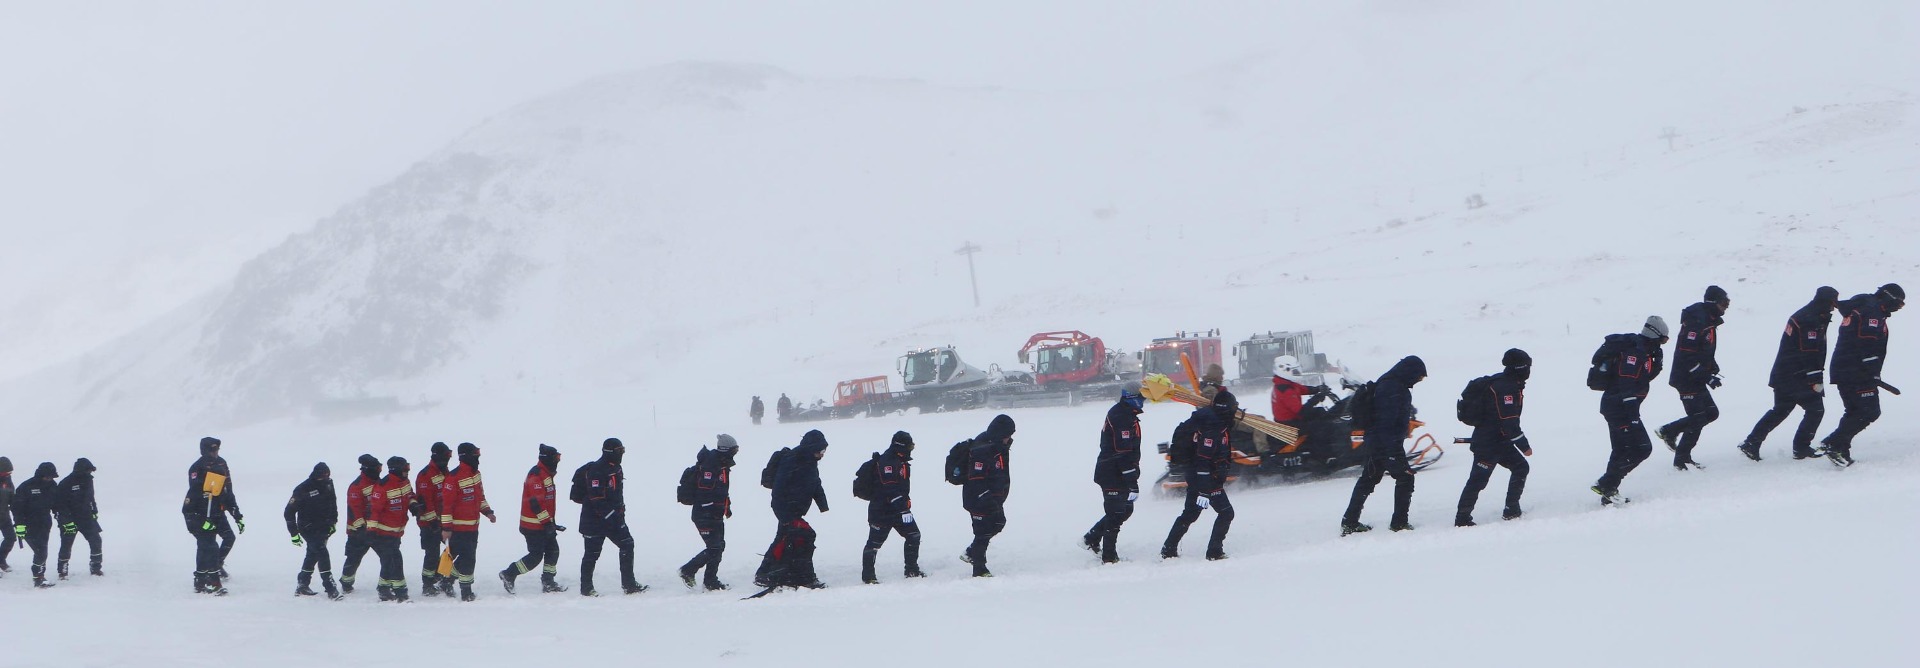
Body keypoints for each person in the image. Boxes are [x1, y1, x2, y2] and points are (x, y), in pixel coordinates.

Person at [1739, 287, 1840, 461]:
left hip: (1785, 373)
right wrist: (1815, 378)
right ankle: (1801, 447)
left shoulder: (1808, 314)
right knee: (1815, 410)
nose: (1835, 307)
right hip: (1797, 375)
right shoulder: (1810, 320)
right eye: (1833, 302)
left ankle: (1751, 442)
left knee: (1781, 410)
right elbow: (1809, 352)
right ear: (1826, 301)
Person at [1341, 356, 1428, 534]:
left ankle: (1349, 522)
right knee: (1405, 478)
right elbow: (1386, 421)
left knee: (1368, 480)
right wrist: (1392, 449)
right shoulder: (1393, 387)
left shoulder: (1392, 383)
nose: (1418, 380)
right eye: (1418, 376)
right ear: (1410, 372)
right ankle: (1399, 523)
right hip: (1386, 443)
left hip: (1378, 441)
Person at [1822, 283, 1904, 466]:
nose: (1898, 309)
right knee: (1869, 411)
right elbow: (1866, 345)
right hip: (1855, 371)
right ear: (1888, 297)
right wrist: (1871, 371)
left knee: (1855, 410)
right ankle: (1834, 443)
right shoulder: (1871, 312)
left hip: (1847, 369)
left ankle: (1840, 448)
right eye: (1899, 304)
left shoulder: (1863, 307)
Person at [1591, 317, 1669, 505]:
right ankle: (1606, 483)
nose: (1665, 344)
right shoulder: (1634, 353)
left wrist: (1657, 360)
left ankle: (1608, 492)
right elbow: (1627, 384)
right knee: (1642, 448)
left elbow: (1645, 377)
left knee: (1620, 449)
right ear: (1655, 336)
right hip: (1619, 408)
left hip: (1616, 406)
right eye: (1664, 339)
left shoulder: (1647, 351)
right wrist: (1633, 416)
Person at [1456, 349, 1533, 526]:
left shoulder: (1507, 382)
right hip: (1488, 445)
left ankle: (1512, 509)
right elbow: (1509, 421)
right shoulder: (1506, 387)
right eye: (1528, 365)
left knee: (1521, 467)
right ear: (1520, 367)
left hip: (1500, 442)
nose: (1529, 369)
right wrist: (1524, 446)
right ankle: (1462, 519)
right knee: (1478, 481)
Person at [1657, 287, 1729, 470]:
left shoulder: (1708, 322)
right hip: (1685, 377)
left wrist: (1712, 367)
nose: (1726, 308)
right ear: (1713, 303)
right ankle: (1681, 461)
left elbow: (1703, 350)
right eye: (1723, 303)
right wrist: (1707, 376)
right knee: (1698, 417)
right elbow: (1686, 357)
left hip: (1695, 377)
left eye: (1727, 303)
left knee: (1711, 413)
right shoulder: (1697, 323)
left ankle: (1670, 431)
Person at [1162, 390, 1240, 559]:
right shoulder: (1213, 429)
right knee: (1226, 513)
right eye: (1234, 408)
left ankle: (1168, 549)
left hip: (1198, 476)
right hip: (1206, 479)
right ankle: (1214, 552)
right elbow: (1203, 461)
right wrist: (1204, 491)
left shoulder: (1215, 422)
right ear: (1227, 409)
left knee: (1190, 514)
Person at [756, 429, 830, 588]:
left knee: (784, 538)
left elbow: (816, 484)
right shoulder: (792, 460)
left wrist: (823, 505)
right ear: (812, 448)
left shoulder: (810, 462)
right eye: (821, 450)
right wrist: (786, 513)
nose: (823, 454)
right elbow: (779, 487)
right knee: (807, 535)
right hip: (785, 508)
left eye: (825, 450)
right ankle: (805, 576)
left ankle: (767, 573)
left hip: (795, 509)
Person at [572, 438, 644, 596]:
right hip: (594, 521)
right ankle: (586, 588)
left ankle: (629, 584)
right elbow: (597, 499)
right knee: (592, 553)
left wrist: (619, 513)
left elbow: (615, 494)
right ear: (611, 452)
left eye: (623, 450)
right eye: (620, 451)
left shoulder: (616, 468)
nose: (622, 454)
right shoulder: (597, 470)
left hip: (614, 519)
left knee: (627, 544)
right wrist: (612, 517)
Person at [1084, 389, 1145, 564]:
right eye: (1141, 398)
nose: (1143, 402)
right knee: (1116, 512)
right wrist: (1132, 481)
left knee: (1125, 509)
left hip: (1117, 471)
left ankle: (1091, 538)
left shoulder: (1126, 414)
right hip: (1111, 472)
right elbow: (1123, 454)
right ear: (1132, 398)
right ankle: (1109, 557)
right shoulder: (1122, 417)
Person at [501, 444, 567, 594]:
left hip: (544, 525)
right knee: (535, 556)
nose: (558, 461)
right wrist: (547, 523)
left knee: (553, 550)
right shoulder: (536, 475)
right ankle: (509, 573)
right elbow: (536, 503)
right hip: (533, 527)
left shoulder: (546, 474)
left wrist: (551, 524)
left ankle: (548, 581)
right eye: (556, 458)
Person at [437, 443, 496, 601]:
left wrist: (488, 512)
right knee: (468, 559)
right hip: (459, 529)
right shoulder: (453, 478)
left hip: (473, 527)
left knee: (462, 557)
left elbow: (480, 497)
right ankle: (466, 592)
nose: (478, 458)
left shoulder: (476, 474)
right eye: (475, 455)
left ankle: (446, 580)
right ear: (466, 456)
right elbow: (447, 506)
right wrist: (447, 528)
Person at [862, 431, 922, 583]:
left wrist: (904, 504)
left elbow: (900, 488)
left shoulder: (900, 460)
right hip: (881, 510)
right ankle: (868, 576)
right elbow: (890, 489)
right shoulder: (888, 462)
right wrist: (903, 508)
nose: (911, 449)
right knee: (874, 544)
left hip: (899, 510)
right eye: (910, 446)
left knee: (913, 535)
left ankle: (911, 570)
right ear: (901, 446)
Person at [679, 435, 738, 591]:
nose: (736, 454)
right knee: (714, 547)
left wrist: (726, 506)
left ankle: (711, 580)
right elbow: (706, 493)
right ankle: (688, 570)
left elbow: (722, 491)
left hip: (716, 513)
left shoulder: (722, 465)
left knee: (719, 546)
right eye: (734, 450)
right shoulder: (711, 467)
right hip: (704, 514)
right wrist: (713, 507)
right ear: (726, 450)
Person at [182, 437, 238, 594]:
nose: (215, 453)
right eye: (212, 450)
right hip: (200, 513)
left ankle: (213, 568)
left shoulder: (221, 463)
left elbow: (227, 489)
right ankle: (207, 580)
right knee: (207, 545)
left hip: (216, 510)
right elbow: (196, 492)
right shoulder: (196, 468)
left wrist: (234, 511)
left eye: (217, 450)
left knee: (227, 538)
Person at [962, 415, 1015, 577]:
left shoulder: (998, 446)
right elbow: (976, 480)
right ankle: (979, 569)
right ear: (1000, 433)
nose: (1009, 439)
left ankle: (971, 552)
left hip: (994, 499)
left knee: (998, 523)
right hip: (979, 499)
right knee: (982, 532)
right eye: (1008, 435)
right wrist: (988, 500)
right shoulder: (982, 449)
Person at [360, 456, 415, 602]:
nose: (407, 471)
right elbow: (374, 511)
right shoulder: (382, 487)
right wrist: (371, 531)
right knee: (395, 560)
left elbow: (410, 495)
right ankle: (400, 593)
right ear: (396, 470)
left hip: (397, 531)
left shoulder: (405, 482)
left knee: (388, 561)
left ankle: (383, 589)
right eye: (405, 469)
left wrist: (414, 504)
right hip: (383, 533)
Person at [283, 462, 341, 599]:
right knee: (322, 553)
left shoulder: (328, 484)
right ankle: (330, 587)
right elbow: (288, 512)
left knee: (313, 554)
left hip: (324, 527)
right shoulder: (303, 489)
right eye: (323, 476)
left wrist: (333, 521)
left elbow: (333, 503)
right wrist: (294, 533)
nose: (325, 478)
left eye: (327, 475)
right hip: (308, 527)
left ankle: (302, 583)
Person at [10, 462, 60, 588]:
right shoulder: (26, 486)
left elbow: (56, 504)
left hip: (45, 523)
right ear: (41, 475)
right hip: (28, 524)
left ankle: (40, 576)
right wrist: (20, 525)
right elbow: (17, 508)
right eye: (47, 477)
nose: (49, 479)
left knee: (43, 550)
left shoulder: (53, 486)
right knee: (40, 551)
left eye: (51, 477)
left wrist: (59, 514)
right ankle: (38, 577)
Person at [338, 454, 382, 595]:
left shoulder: (378, 482)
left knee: (388, 556)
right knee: (354, 558)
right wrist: (363, 528)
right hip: (358, 532)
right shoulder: (356, 487)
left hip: (376, 529)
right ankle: (346, 582)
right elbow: (354, 510)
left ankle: (389, 581)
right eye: (377, 468)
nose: (379, 471)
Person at [413, 442, 452, 596]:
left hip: (444, 521)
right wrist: (433, 522)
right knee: (432, 553)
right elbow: (426, 502)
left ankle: (440, 575)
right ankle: (428, 584)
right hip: (428, 523)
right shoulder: (425, 475)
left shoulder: (444, 472)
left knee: (452, 549)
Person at [54, 457, 103, 579]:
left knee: (96, 540)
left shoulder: (89, 481)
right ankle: (62, 570)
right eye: (88, 471)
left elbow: (91, 498)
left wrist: (94, 511)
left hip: (86, 518)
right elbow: (59, 505)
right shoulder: (65, 483)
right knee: (66, 544)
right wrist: (66, 521)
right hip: (69, 519)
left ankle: (96, 567)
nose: (89, 473)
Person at [0, 457, 14, 576]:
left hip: (4, 515)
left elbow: (11, 495)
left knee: (10, 538)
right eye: (6, 472)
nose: (8, 474)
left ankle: (1, 560)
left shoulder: (7, 480)